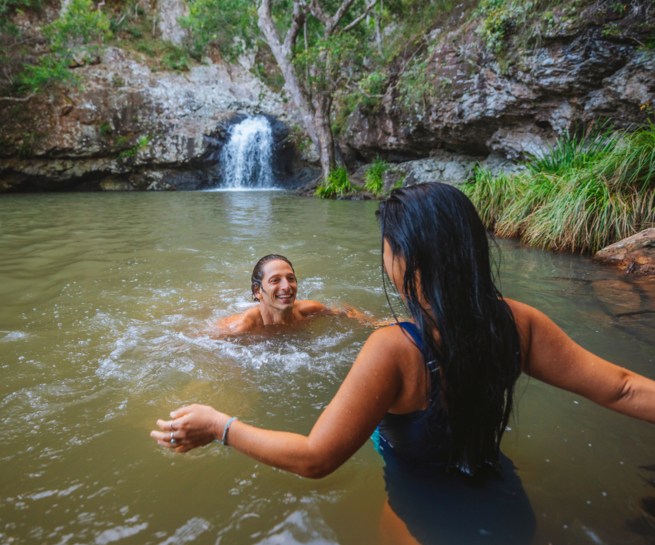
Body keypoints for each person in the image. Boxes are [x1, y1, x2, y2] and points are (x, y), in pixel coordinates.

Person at [151, 183, 655, 543]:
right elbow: (625, 389)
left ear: (408, 256)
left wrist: (220, 425)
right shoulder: (519, 321)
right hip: (500, 493)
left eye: (388, 246)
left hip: (421, 508)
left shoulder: (393, 348)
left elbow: (315, 458)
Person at [212, 253, 376, 334]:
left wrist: (371, 322)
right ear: (258, 291)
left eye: (290, 278)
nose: (287, 286)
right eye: (275, 280)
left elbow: (343, 312)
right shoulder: (242, 327)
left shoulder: (310, 309)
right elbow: (198, 341)